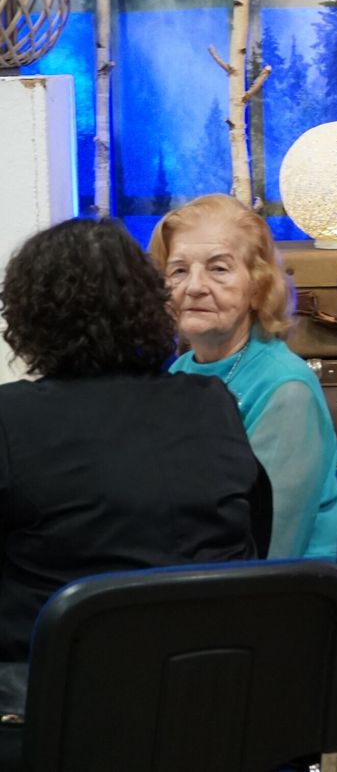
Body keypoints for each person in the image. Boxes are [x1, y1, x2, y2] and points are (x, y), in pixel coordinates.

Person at [0, 218, 269, 663]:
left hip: (58, 689)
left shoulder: (11, 418)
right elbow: (253, 537)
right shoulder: (211, 402)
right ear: (151, 304)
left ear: (28, 317)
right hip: (213, 679)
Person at [148, 194, 337, 561]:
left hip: (264, 588)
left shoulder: (287, 390)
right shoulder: (179, 371)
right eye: (178, 271)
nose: (194, 286)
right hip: (189, 575)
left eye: (218, 269)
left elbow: (272, 550)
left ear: (258, 286)